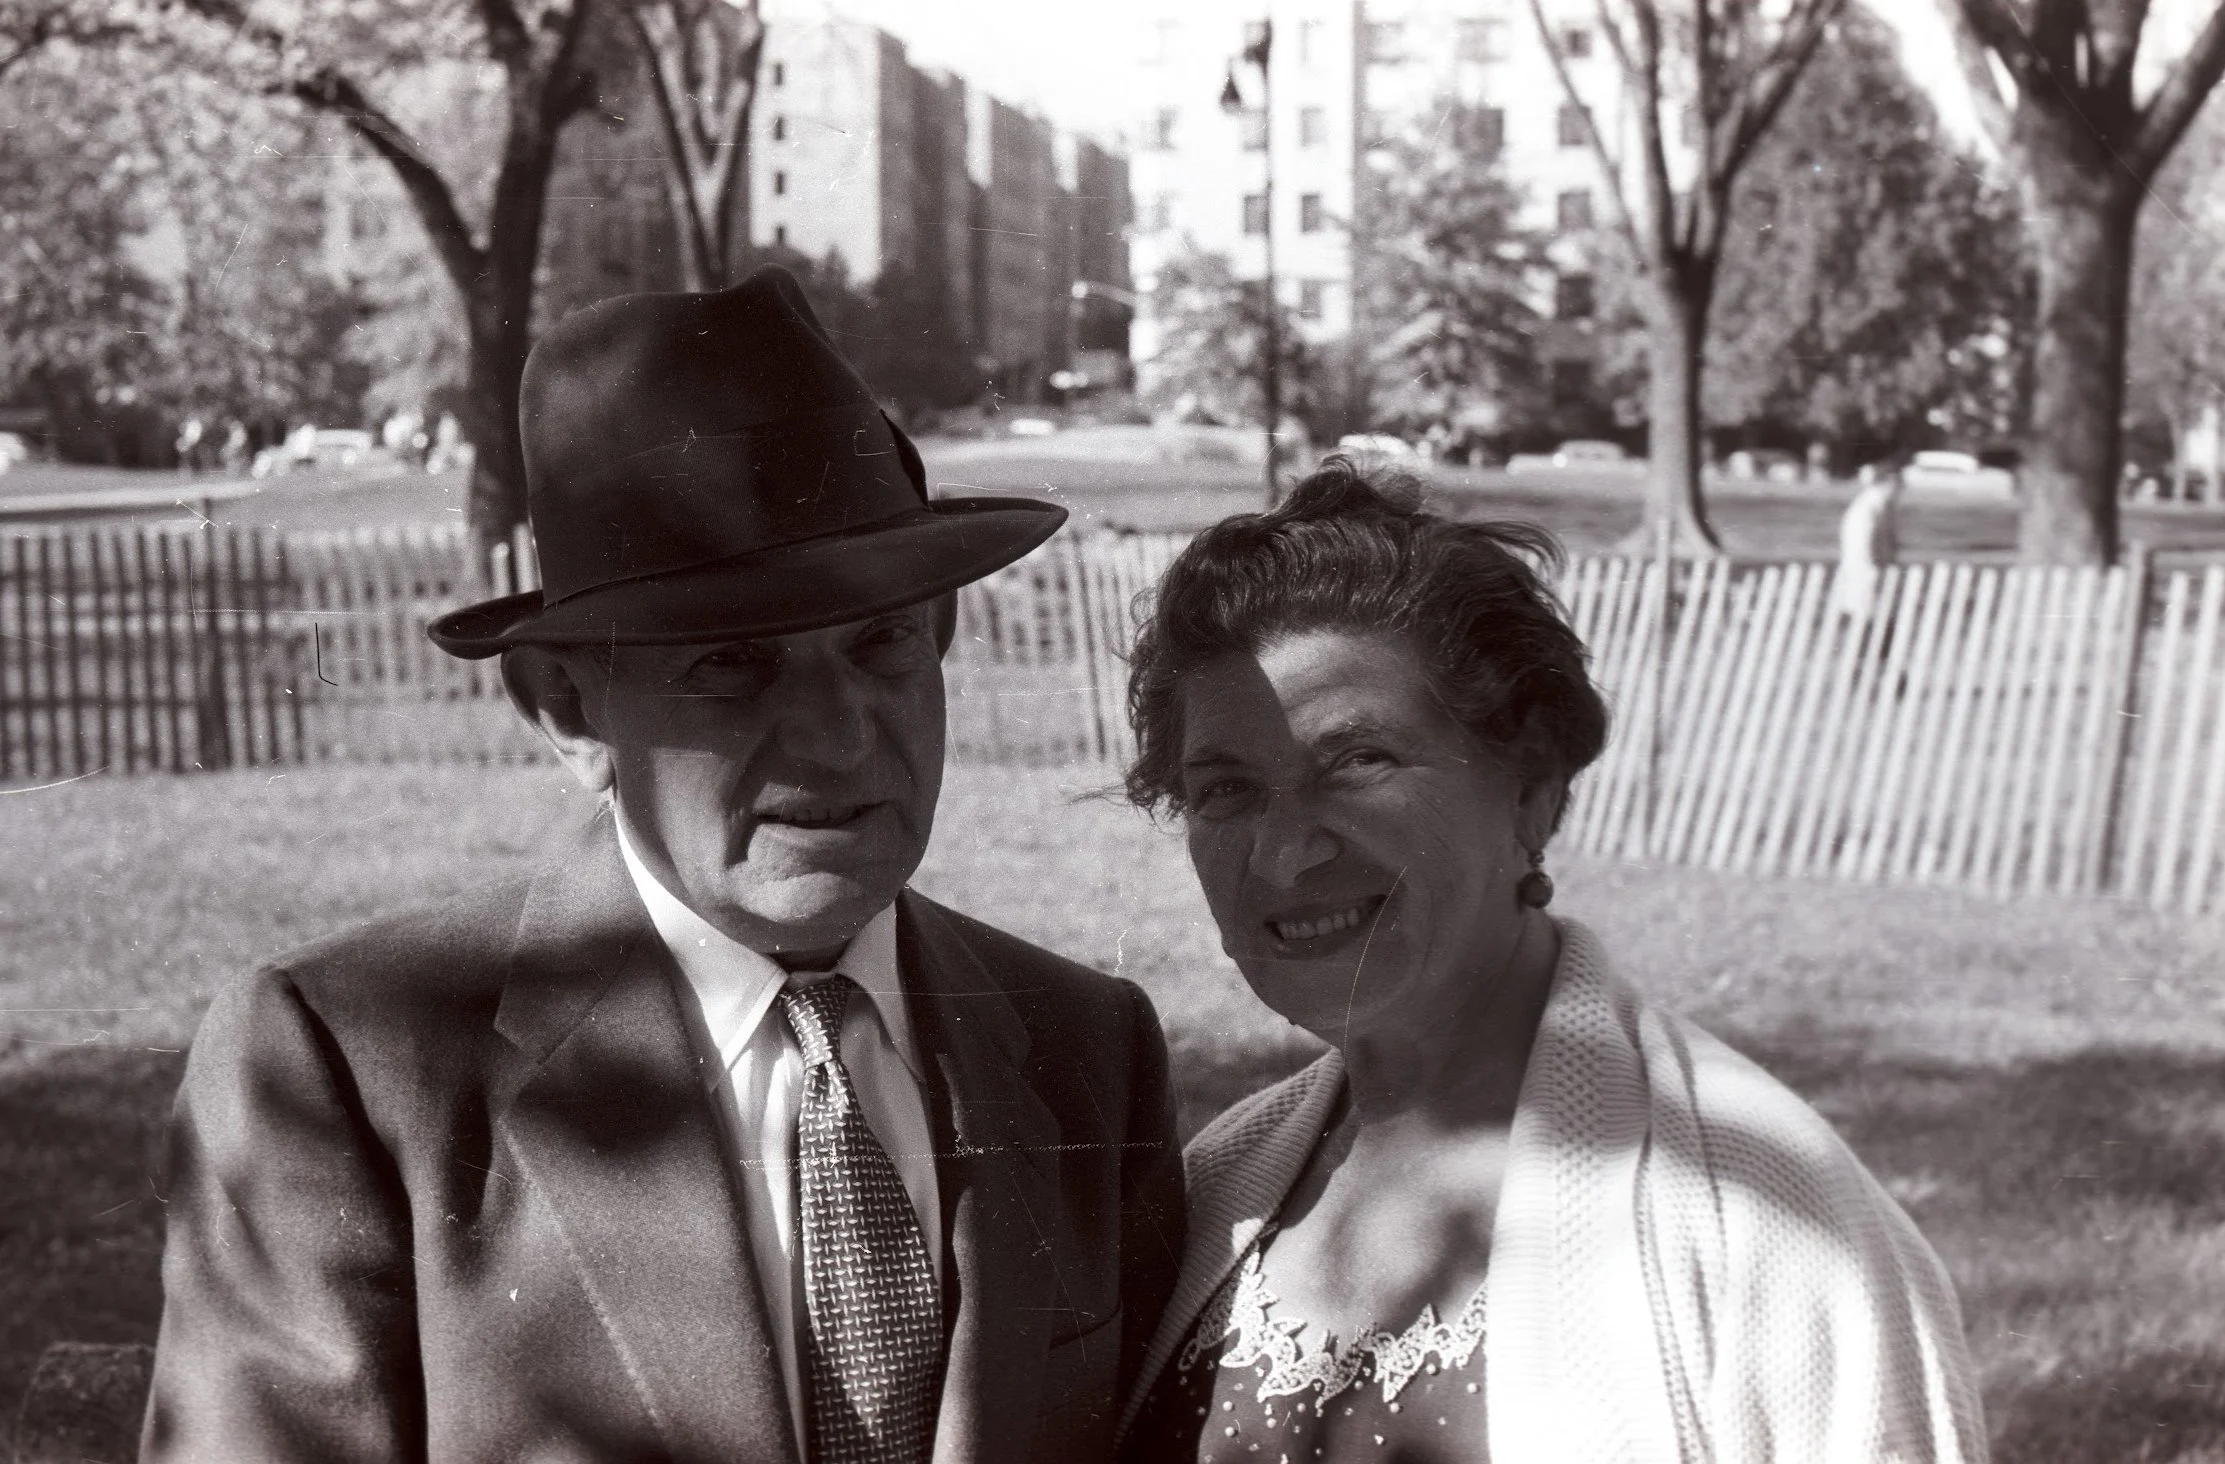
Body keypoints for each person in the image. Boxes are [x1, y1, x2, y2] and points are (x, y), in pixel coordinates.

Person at [144, 265, 1186, 1464]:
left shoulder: (1085, 1048)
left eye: (882, 645)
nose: (841, 737)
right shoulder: (349, 1073)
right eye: (732, 665)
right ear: (568, 711)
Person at [1115, 462, 1984, 1463]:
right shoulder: (1217, 1188)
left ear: (1531, 789)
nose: (1282, 853)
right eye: (1225, 791)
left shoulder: (1762, 1218)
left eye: (1358, 763)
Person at [1831, 458, 1905, 623]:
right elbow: (1864, 543)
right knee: (1867, 622)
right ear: (1888, 482)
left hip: (1877, 574)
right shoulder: (1869, 506)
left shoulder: (1881, 505)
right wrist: (1874, 568)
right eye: (1899, 483)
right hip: (1867, 575)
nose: (1901, 489)